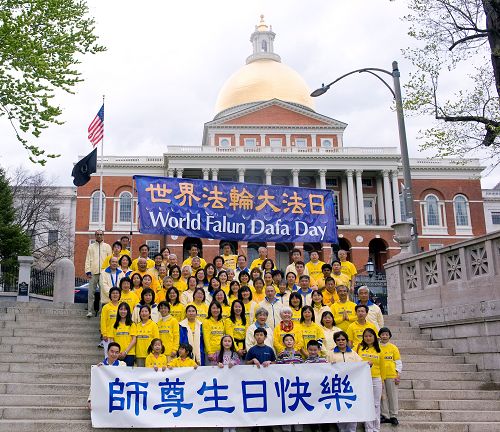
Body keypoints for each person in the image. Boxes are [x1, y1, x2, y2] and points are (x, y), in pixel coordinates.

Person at [327, 331, 361, 432]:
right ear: (335, 342)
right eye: (338, 340)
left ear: (346, 341)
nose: (341, 342)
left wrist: (368, 364)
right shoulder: (330, 354)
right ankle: (342, 429)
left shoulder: (353, 353)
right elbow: (325, 369)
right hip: (337, 386)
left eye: (343, 339)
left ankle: (352, 430)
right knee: (340, 408)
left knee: (352, 407)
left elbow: (361, 365)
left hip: (351, 385)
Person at [357, 328, 386, 432]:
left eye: (370, 336)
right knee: (367, 403)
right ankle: (368, 428)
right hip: (363, 379)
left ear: (374, 337)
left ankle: (376, 427)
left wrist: (382, 380)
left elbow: (383, 367)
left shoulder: (379, 350)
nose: (368, 338)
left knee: (376, 404)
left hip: (376, 379)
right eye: (366, 336)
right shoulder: (360, 348)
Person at [87, 342, 125, 410]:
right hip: (104, 397)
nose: (114, 354)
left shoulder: (122, 365)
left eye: (116, 352)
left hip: (118, 396)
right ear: (107, 352)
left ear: (119, 353)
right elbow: (94, 385)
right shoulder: (100, 367)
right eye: (112, 351)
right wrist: (90, 399)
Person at [85, 230, 112, 317]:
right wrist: (88, 270)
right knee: (90, 293)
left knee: (103, 293)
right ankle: (90, 311)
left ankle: (101, 312)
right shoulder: (91, 247)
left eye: (101, 234)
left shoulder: (107, 246)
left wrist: (109, 271)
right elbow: (88, 259)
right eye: (97, 235)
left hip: (104, 273)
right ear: (95, 236)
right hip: (93, 272)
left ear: (103, 235)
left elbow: (109, 260)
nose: (99, 236)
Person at [379, 327, 402, 426]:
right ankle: (384, 415)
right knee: (382, 396)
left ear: (389, 336)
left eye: (386, 334)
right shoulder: (376, 347)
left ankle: (393, 416)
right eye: (383, 334)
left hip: (391, 375)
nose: (384, 336)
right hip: (379, 375)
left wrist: (398, 375)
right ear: (379, 336)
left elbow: (398, 362)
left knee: (392, 396)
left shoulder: (393, 348)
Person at [109, 302, 137, 366]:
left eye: (125, 309)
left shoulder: (132, 324)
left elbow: (134, 340)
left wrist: (125, 352)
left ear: (128, 311)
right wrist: (116, 352)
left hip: (129, 354)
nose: (123, 311)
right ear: (118, 311)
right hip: (116, 355)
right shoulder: (114, 325)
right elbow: (112, 340)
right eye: (121, 309)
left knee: (128, 375)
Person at [100, 287, 121, 353]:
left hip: (119, 334)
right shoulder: (106, 307)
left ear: (120, 295)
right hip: (108, 335)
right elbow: (103, 321)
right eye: (113, 293)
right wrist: (104, 334)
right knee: (108, 356)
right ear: (110, 295)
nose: (115, 295)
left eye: (117, 293)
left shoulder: (122, 306)